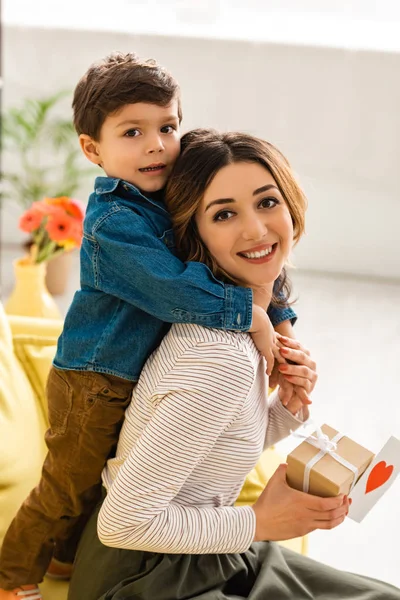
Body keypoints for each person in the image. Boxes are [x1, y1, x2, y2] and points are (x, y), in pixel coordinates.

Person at [0, 54, 299, 600]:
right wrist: (251, 317)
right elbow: (176, 287)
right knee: (68, 486)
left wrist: (283, 328)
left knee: (112, 473)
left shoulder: (166, 199)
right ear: (93, 150)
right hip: (95, 377)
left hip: (130, 371)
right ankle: (14, 575)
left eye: (167, 127)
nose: (156, 145)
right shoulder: (114, 222)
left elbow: (249, 268)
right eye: (132, 132)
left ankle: (67, 558)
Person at [67, 129, 400, 600]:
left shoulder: (241, 336)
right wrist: (262, 521)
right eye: (224, 214)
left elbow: (208, 450)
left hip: (207, 552)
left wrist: (286, 406)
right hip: (144, 580)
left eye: (267, 203)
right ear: (193, 231)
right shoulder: (216, 356)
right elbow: (124, 523)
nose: (256, 230)